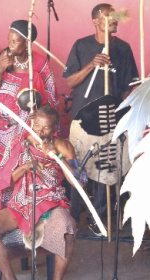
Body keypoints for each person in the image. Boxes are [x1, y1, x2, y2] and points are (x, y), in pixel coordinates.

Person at [63, 3, 139, 235]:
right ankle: (72, 216)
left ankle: (99, 216)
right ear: (96, 21)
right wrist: (91, 65)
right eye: (109, 16)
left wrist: (130, 105)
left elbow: (128, 87)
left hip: (111, 118)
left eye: (116, 16)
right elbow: (70, 82)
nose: (115, 19)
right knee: (78, 169)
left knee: (109, 169)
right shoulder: (82, 45)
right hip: (83, 119)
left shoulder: (123, 49)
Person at [0, 105, 81, 280]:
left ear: (55, 128)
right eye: (37, 126)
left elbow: (79, 182)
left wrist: (55, 155)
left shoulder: (64, 146)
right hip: (22, 201)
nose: (40, 132)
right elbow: (4, 179)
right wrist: (26, 167)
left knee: (68, 229)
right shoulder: (19, 142)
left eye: (46, 128)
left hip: (51, 203)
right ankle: (10, 277)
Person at [0, 20, 57, 166]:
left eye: (14, 41)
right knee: (2, 161)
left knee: (24, 158)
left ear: (26, 43)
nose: (10, 45)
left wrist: (39, 112)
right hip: (4, 120)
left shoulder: (39, 62)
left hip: (30, 120)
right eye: (9, 40)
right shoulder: (4, 57)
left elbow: (51, 94)